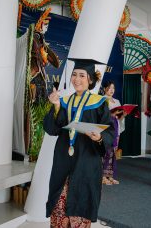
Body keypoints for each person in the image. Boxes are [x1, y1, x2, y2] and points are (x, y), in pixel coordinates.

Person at [44, 58, 115, 227]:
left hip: (87, 161)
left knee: (81, 206)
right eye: (74, 75)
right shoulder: (63, 101)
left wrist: (99, 137)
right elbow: (52, 129)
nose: (77, 79)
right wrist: (55, 106)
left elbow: (110, 132)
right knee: (59, 207)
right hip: (63, 160)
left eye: (82, 75)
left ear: (90, 79)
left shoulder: (99, 103)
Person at [102, 80, 127, 185]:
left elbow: (119, 118)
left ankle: (111, 175)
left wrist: (123, 115)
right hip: (106, 129)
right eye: (109, 88)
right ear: (104, 89)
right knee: (105, 152)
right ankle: (102, 176)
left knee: (113, 152)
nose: (112, 90)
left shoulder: (116, 101)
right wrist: (111, 115)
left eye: (113, 88)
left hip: (116, 127)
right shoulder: (101, 100)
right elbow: (100, 117)